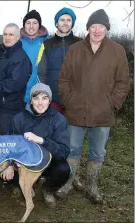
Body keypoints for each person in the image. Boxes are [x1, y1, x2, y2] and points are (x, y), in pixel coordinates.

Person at [57, 9, 130, 204]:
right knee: (72, 149)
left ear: (107, 29)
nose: (97, 30)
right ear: (87, 28)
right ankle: (69, 182)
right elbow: (63, 80)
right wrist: (69, 100)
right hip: (76, 111)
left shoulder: (117, 51)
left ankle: (92, 186)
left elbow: (123, 82)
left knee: (97, 152)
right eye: (93, 26)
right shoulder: (75, 50)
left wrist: (112, 103)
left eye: (101, 27)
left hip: (103, 114)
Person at [0, 83, 71, 209]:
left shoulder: (58, 120)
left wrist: (42, 141)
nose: (40, 102)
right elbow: (9, 144)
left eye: (44, 98)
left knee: (64, 169)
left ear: (49, 101)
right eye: (36, 98)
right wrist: (9, 164)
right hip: (23, 164)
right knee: (4, 168)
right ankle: (21, 185)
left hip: (48, 161)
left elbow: (63, 151)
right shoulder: (19, 118)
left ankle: (47, 189)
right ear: (31, 100)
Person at [0, 23, 32, 135]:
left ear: (18, 37)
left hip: (9, 109)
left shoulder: (20, 58)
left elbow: (13, 84)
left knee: (4, 143)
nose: (7, 38)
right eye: (5, 34)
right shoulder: (1, 53)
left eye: (11, 35)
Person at [37, 7, 81, 114]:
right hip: (53, 100)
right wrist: (45, 95)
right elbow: (41, 72)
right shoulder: (46, 44)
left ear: (72, 23)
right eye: (62, 20)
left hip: (75, 100)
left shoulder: (81, 44)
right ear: (57, 23)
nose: (65, 23)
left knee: (72, 130)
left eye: (68, 20)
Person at [20, 9, 50, 104]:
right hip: (20, 93)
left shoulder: (47, 42)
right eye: (28, 23)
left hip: (40, 94)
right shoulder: (18, 42)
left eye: (35, 23)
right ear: (24, 25)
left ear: (39, 25)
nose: (31, 26)